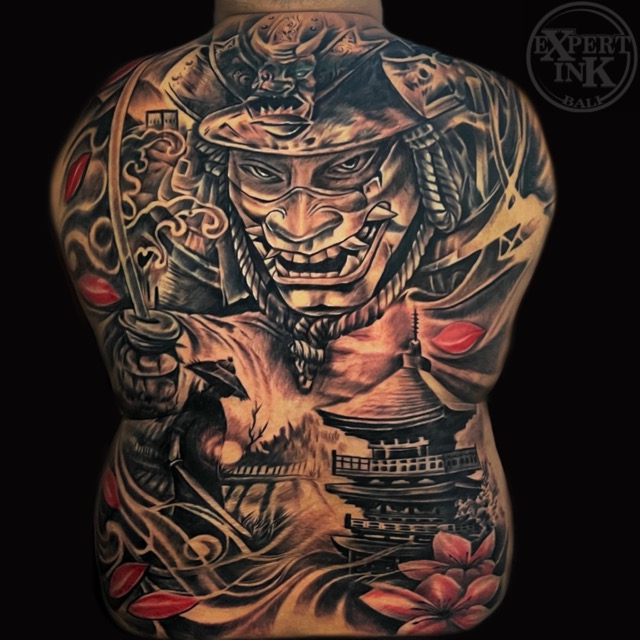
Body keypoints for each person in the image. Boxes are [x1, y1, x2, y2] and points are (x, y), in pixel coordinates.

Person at [50, 0, 554, 637]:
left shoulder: (115, 107)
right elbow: (146, 385)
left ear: (429, 172)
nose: (299, 224)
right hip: (191, 576)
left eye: (348, 166)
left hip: (223, 594)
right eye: (261, 173)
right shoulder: (494, 99)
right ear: (221, 182)